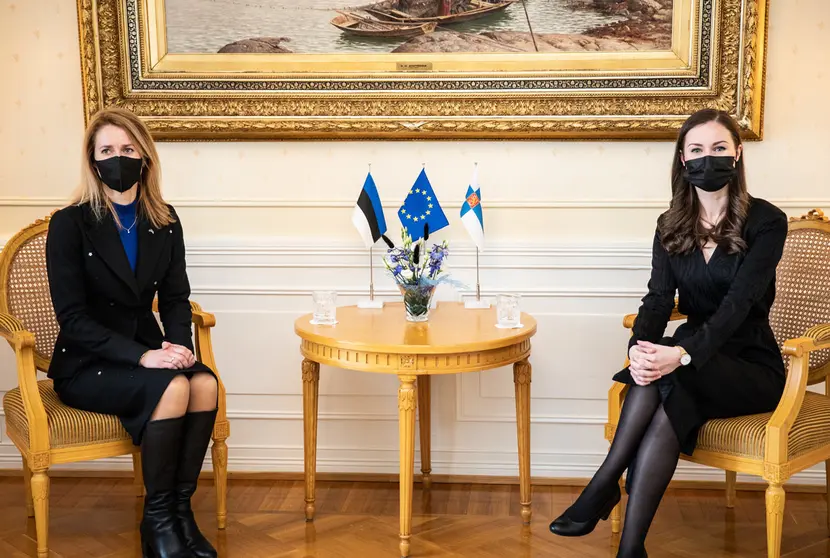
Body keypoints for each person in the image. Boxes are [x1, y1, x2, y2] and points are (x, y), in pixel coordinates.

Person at [548, 108, 788, 557]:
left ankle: (602, 485)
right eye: (696, 150)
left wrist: (680, 355)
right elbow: (659, 299)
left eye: (719, 148)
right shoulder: (670, 224)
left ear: (737, 153)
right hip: (691, 362)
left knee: (669, 373)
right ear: (682, 159)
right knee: (661, 387)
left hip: (751, 366)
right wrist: (640, 349)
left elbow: (737, 308)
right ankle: (631, 548)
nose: (707, 158)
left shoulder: (767, 222)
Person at [46, 107, 219, 558]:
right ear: (92, 159)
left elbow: (177, 298)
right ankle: (157, 522)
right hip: (88, 364)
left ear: (144, 157)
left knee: (202, 382)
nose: (117, 158)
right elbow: (73, 318)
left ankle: (180, 512)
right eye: (106, 150)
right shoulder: (70, 224)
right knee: (175, 388)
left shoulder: (165, 219)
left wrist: (179, 345)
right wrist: (143, 357)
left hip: (149, 350)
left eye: (127, 149)